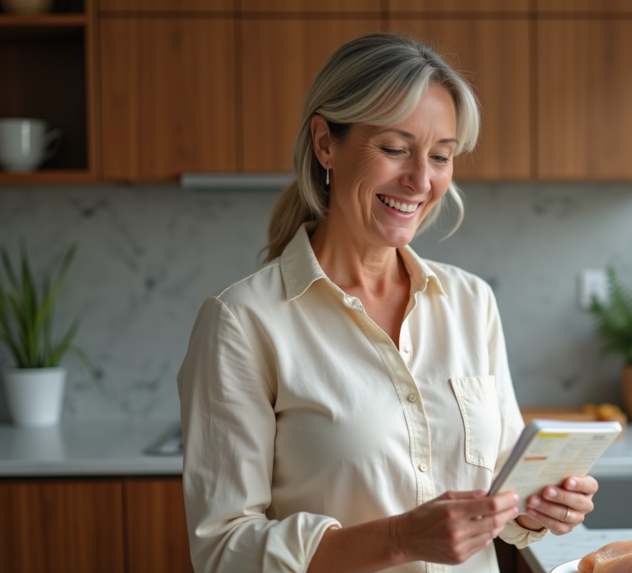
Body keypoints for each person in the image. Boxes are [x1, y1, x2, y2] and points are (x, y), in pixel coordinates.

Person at [177, 33, 598, 573]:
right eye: (396, 149)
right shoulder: (242, 321)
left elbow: (504, 487)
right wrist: (399, 539)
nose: (421, 180)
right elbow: (222, 550)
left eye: (441, 156)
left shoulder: (470, 302)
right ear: (325, 144)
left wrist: (540, 507)